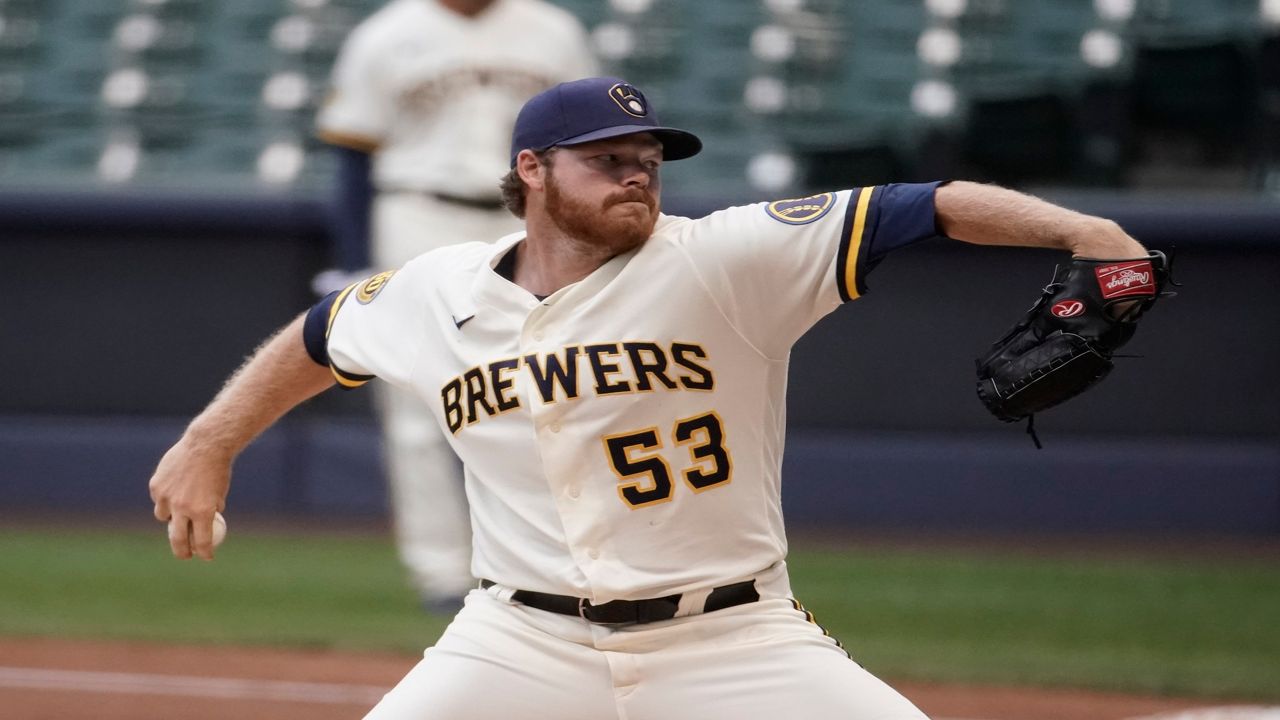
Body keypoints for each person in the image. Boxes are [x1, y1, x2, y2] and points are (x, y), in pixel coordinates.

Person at [150, 77, 1150, 719]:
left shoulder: (726, 256)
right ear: (530, 172)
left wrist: (1086, 232)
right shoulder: (437, 289)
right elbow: (323, 338)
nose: (637, 178)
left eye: (647, 162)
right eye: (607, 162)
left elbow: (923, 208)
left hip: (731, 638)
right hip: (518, 641)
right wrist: (210, 439)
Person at [313, 0, 597, 610]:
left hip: (527, 211)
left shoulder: (554, 29)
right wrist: (357, 259)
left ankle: (560, 561)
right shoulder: (386, 34)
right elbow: (352, 155)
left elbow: (591, 145)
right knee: (415, 401)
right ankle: (439, 572)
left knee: (555, 387)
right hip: (417, 207)